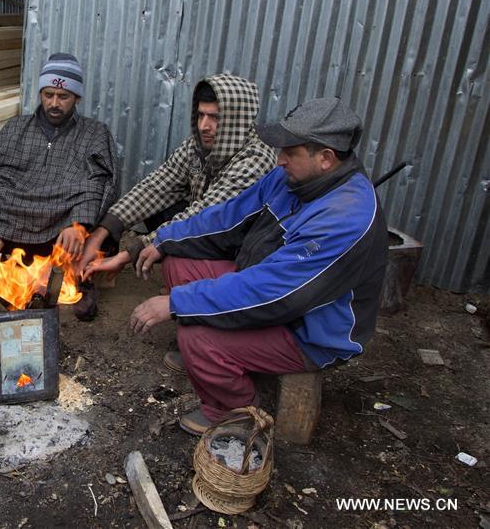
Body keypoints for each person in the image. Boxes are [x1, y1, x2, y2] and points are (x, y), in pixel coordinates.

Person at [86, 98, 388, 434]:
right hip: (267, 288)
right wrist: (161, 241)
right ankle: (214, 358)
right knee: (179, 265)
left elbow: (273, 295)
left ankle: (234, 414)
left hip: (310, 330)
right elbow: (225, 219)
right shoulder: (289, 180)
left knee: (199, 334)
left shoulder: (344, 217)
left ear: (326, 158)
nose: (280, 159)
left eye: (290, 151)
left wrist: (177, 304)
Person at [78, 74, 275, 276]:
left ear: (237, 120)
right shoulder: (197, 146)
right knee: (155, 206)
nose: (203, 126)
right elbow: (157, 185)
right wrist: (101, 232)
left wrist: (130, 253)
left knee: (176, 253)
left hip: (236, 243)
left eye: (215, 118)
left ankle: (202, 284)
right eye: (201, 115)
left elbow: (206, 215)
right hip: (205, 223)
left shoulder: (255, 160)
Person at [0, 53, 119, 319]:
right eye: (48, 94)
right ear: (40, 92)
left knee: (105, 224)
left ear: (77, 98)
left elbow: (99, 183)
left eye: (63, 97)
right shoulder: (15, 128)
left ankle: (77, 280)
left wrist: (78, 225)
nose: (54, 103)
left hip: (62, 232)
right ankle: (13, 274)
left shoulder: (95, 133)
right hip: (13, 228)